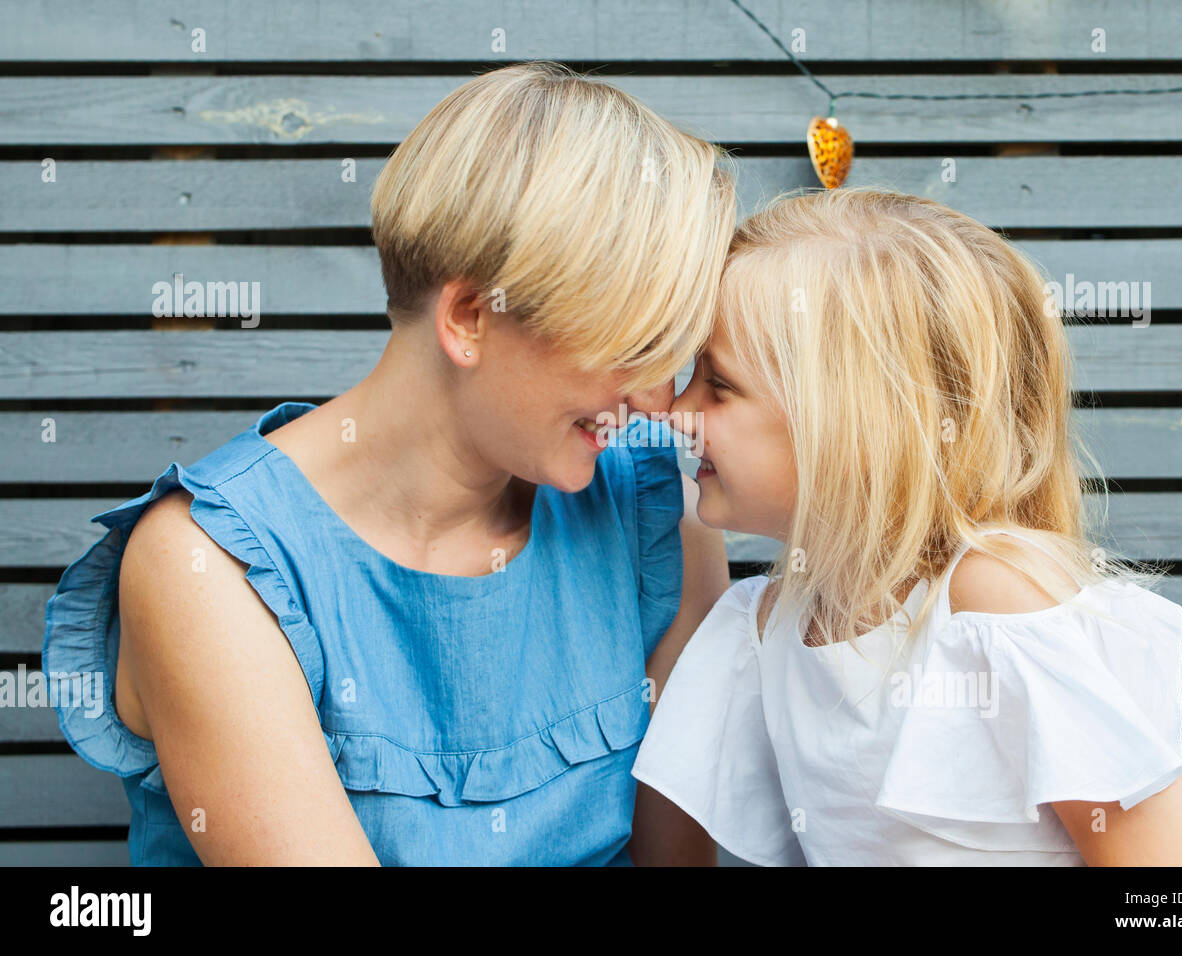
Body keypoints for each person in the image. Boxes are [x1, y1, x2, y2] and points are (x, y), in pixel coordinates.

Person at [43, 61, 736, 865]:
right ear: (471, 318)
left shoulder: (654, 514)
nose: (659, 401)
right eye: (635, 347)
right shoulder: (205, 567)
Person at [631, 186, 1182, 866]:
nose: (676, 408)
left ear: (862, 428)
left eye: (719, 384)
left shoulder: (993, 604)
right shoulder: (758, 630)